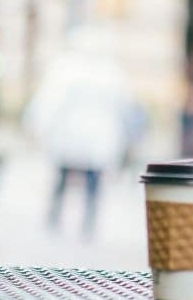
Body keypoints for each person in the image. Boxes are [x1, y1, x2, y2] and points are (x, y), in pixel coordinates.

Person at [23, 27, 143, 240]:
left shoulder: (67, 68)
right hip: (96, 139)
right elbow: (126, 107)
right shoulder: (110, 72)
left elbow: (49, 102)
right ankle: (86, 223)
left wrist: (36, 126)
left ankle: (57, 219)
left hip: (73, 137)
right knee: (90, 183)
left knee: (63, 179)